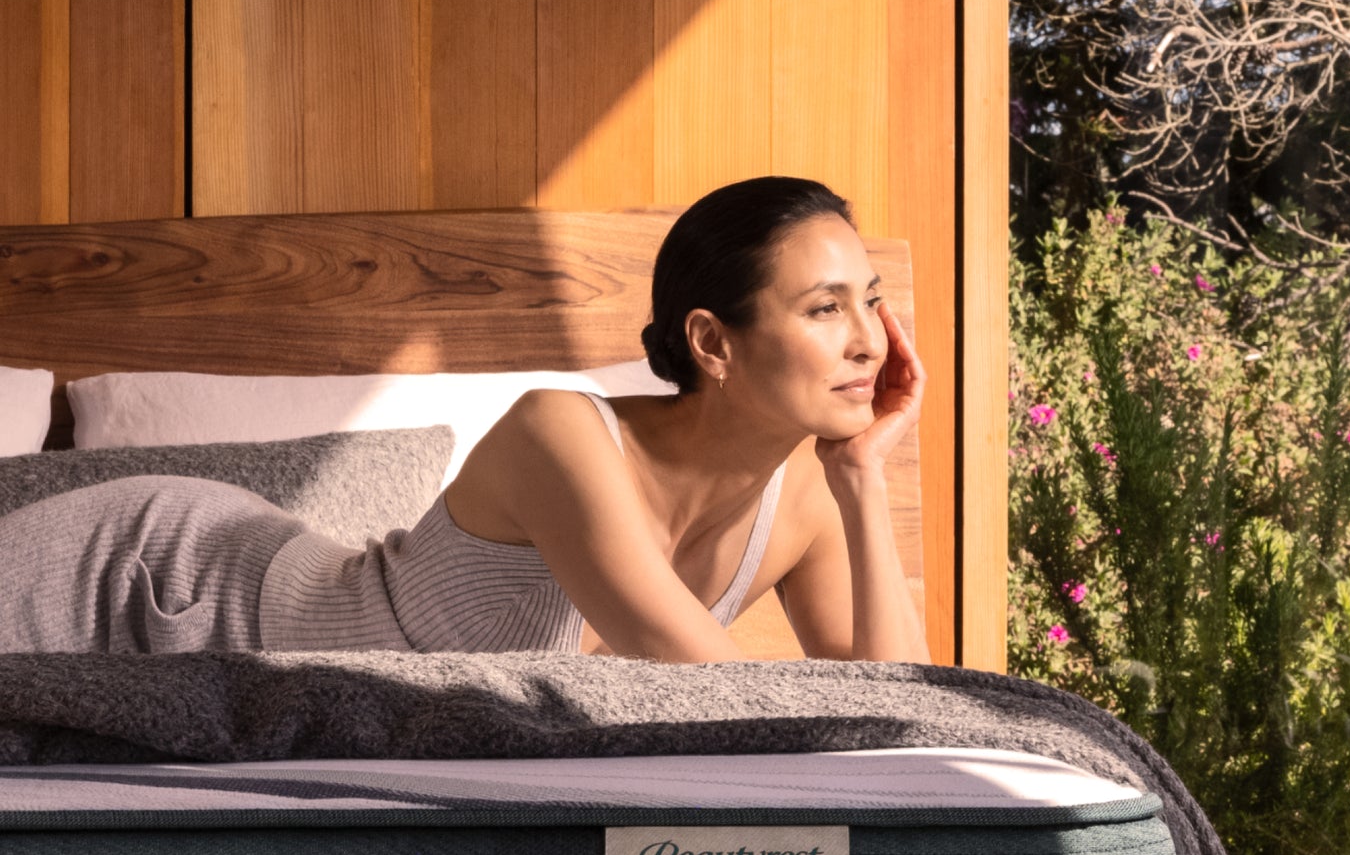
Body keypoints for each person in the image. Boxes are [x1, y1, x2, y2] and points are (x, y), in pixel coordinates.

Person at [0, 176, 929, 663]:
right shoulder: (559, 432)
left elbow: (908, 727)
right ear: (712, 343)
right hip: (166, 575)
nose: (868, 341)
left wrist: (860, 476)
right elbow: (706, 691)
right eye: (823, 308)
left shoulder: (807, 499)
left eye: (871, 301)